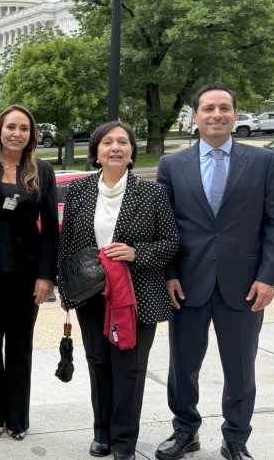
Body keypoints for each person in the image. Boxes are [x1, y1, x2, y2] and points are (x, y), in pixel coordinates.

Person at [155, 83, 274, 460]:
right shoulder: (172, 164)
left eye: (224, 108)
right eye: (208, 108)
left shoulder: (264, 162)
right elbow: (162, 227)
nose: (217, 114)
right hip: (186, 284)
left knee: (241, 368)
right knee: (182, 366)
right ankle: (185, 431)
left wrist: (269, 276)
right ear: (195, 116)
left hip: (245, 286)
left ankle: (235, 439)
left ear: (234, 114)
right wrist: (168, 274)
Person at [57, 121, 180, 460]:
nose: (115, 147)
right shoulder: (80, 191)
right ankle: (102, 434)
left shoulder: (151, 192)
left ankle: (124, 442)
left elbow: (171, 242)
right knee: (98, 364)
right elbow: (66, 243)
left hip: (137, 296)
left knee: (128, 368)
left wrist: (137, 253)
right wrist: (65, 291)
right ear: (95, 152)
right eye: (107, 142)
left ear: (131, 152)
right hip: (90, 295)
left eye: (122, 142)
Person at [0, 105, 58, 440]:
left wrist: (46, 276)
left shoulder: (43, 171)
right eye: (11, 127)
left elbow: (51, 228)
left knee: (21, 345)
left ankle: (17, 418)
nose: (17, 133)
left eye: (24, 128)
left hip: (28, 268)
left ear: (31, 135)